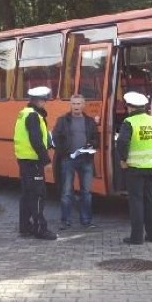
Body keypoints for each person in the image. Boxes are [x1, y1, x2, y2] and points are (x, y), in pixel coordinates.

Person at [117, 91, 152, 245]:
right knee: (150, 201)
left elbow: (122, 142)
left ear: (130, 107)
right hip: (150, 167)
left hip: (134, 168)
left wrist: (123, 159)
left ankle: (136, 237)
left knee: (136, 202)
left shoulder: (129, 122)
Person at [13, 86, 57, 240]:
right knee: (38, 194)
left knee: (27, 194)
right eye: (45, 100)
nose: (45, 103)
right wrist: (46, 160)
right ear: (39, 100)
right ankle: (40, 229)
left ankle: (25, 226)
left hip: (24, 160)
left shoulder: (24, 113)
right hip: (33, 162)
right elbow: (35, 140)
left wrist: (49, 142)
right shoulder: (33, 116)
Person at [52, 94, 99, 230]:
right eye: (73, 104)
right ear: (70, 105)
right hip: (68, 159)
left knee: (86, 193)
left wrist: (91, 145)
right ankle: (65, 221)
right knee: (66, 192)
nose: (76, 106)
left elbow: (96, 138)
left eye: (79, 104)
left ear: (83, 105)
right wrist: (65, 151)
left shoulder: (89, 121)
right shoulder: (63, 120)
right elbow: (56, 137)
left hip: (86, 160)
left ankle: (86, 221)